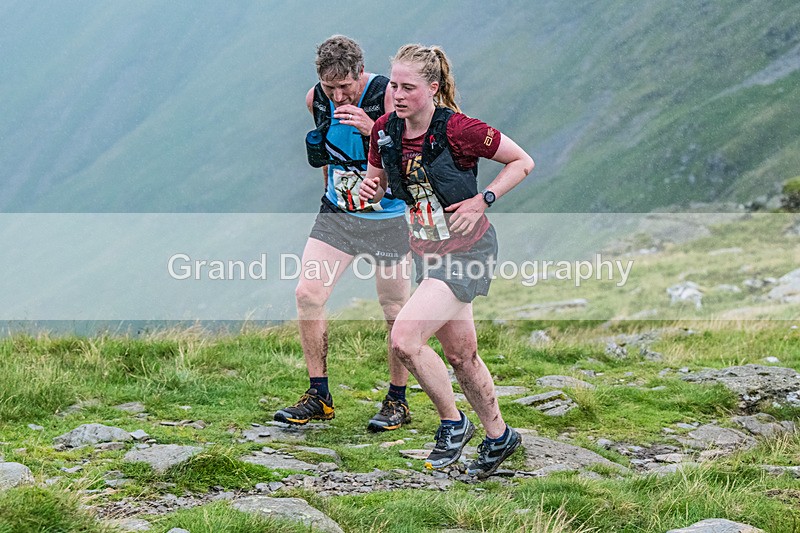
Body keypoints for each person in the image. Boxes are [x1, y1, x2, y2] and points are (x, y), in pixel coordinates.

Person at [359, 44, 534, 477]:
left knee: (405, 339)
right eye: (393, 86)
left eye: (408, 87)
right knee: (461, 355)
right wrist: (370, 192)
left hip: (468, 251)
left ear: (433, 88)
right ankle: (499, 437)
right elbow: (378, 181)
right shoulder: (384, 131)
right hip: (427, 253)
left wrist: (483, 198)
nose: (396, 95)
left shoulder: (460, 129)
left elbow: (522, 161)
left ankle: (454, 424)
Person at [274, 35, 413, 432]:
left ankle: (397, 401)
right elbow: (327, 149)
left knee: (394, 310)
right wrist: (330, 192)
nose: (337, 95)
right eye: (329, 86)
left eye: (345, 86)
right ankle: (319, 395)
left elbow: (410, 157)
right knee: (307, 293)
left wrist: (374, 129)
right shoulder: (314, 98)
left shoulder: (388, 94)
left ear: (360, 73)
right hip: (338, 211)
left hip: (388, 216)